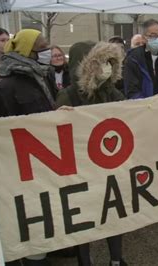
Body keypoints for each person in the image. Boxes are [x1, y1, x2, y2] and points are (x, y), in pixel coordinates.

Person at [56, 41, 126, 266]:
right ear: (84, 65)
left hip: (111, 165)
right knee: (84, 218)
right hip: (82, 168)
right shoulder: (68, 95)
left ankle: (116, 259)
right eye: (100, 62)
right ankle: (84, 261)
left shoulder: (114, 93)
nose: (105, 68)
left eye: (109, 63)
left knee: (114, 214)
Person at [0, 28, 57, 266]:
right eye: (43, 47)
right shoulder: (7, 86)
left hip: (46, 158)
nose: (48, 51)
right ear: (28, 51)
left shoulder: (41, 76)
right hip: (24, 164)